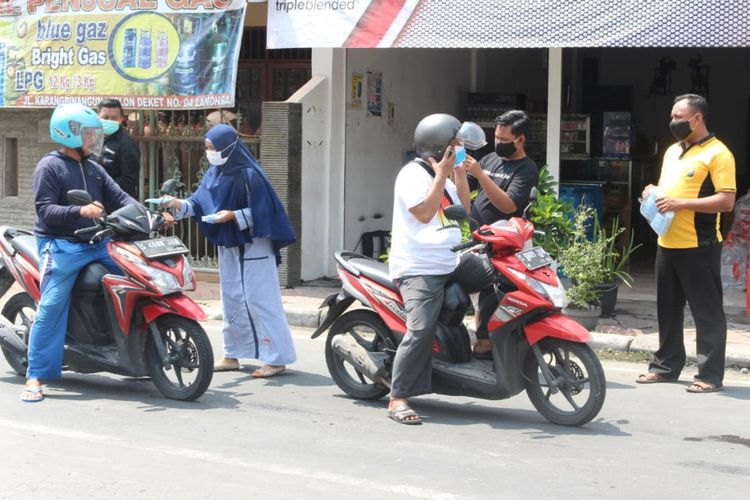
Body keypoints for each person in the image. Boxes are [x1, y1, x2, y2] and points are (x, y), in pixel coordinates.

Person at [22, 104, 139, 402]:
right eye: (88, 133)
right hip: (60, 245)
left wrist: (147, 212)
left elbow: (120, 196)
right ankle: (35, 375)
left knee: (135, 278)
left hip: (97, 242)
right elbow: (45, 210)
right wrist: (81, 210)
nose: (93, 139)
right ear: (69, 133)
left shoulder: (93, 167)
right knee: (51, 305)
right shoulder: (50, 166)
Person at [387, 113, 497, 424]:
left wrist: (459, 173)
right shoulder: (412, 175)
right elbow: (423, 213)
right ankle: (398, 398)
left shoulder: (445, 173)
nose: (460, 149)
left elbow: (464, 208)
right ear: (439, 147)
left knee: (499, 277)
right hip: (419, 268)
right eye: (455, 145)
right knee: (420, 330)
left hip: (451, 259)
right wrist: (443, 175)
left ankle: (485, 343)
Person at [162, 124, 297, 378]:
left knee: (260, 299)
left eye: (213, 147)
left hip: (254, 245)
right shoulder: (214, 173)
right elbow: (198, 204)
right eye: (207, 147)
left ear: (228, 146)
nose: (209, 152)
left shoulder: (250, 175)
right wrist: (175, 203)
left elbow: (265, 212)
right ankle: (232, 353)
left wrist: (233, 215)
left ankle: (277, 358)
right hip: (229, 245)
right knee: (231, 297)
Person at [636, 94, 736, 393]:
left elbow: (727, 201)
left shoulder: (718, 154)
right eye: (672, 116)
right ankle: (665, 366)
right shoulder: (672, 151)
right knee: (667, 309)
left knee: (706, 312)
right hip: (667, 242)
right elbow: (670, 191)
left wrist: (680, 203)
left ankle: (709, 374)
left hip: (699, 244)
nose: (673, 122)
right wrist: (654, 192)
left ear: (698, 118)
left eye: (680, 117)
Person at [464, 110, 539, 358]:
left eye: (504, 140)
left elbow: (508, 205)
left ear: (520, 140)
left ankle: (488, 344)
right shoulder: (489, 159)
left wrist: (481, 175)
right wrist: (456, 168)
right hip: (479, 238)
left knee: (494, 295)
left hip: (505, 245)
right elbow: (464, 192)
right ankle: (480, 339)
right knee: (477, 297)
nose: (499, 143)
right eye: (496, 137)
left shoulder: (526, 169)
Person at [93, 98, 141, 198]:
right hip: (92, 200)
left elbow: (128, 181)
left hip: (114, 204)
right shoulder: (91, 139)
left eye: (114, 118)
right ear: (98, 117)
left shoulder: (127, 144)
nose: (109, 121)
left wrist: (103, 190)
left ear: (121, 119)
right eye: (105, 117)